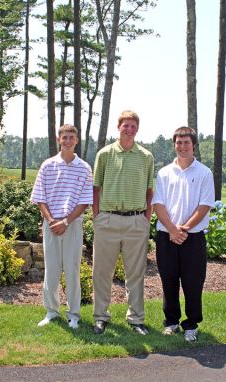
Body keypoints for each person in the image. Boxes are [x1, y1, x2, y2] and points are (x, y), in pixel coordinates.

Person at [92, 110, 154, 335]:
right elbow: (95, 188)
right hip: (107, 219)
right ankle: (100, 316)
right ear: (118, 127)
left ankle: (136, 319)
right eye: (125, 125)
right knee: (101, 272)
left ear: (137, 129)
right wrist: (97, 216)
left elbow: (149, 191)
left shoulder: (146, 156)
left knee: (135, 273)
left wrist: (146, 218)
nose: (129, 129)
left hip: (136, 221)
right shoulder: (105, 154)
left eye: (133, 126)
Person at [152, 127, 215, 342]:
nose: (182, 146)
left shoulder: (204, 173)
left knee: (192, 282)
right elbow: (157, 204)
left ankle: (191, 324)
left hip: (192, 237)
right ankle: (171, 322)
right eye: (178, 142)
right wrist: (172, 229)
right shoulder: (164, 173)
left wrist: (183, 230)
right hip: (166, 235)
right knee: (168, 281)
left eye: (186, 142)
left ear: (194, 145)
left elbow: (204, 206)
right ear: (174, 145)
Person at [30, 124, 93, 329]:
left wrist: (65, 221)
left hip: (72, 225)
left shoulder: (84, 168)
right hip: (51, 224)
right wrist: (51, 221)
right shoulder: (48, 165)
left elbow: (85, 201)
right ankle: (51, 312)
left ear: (76, 140)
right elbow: (40, 197)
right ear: (59, 139)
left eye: (71, 137)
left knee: (73, 270)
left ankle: (73, 314)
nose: (67, 140)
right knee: (52, 269)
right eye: (64, 137)